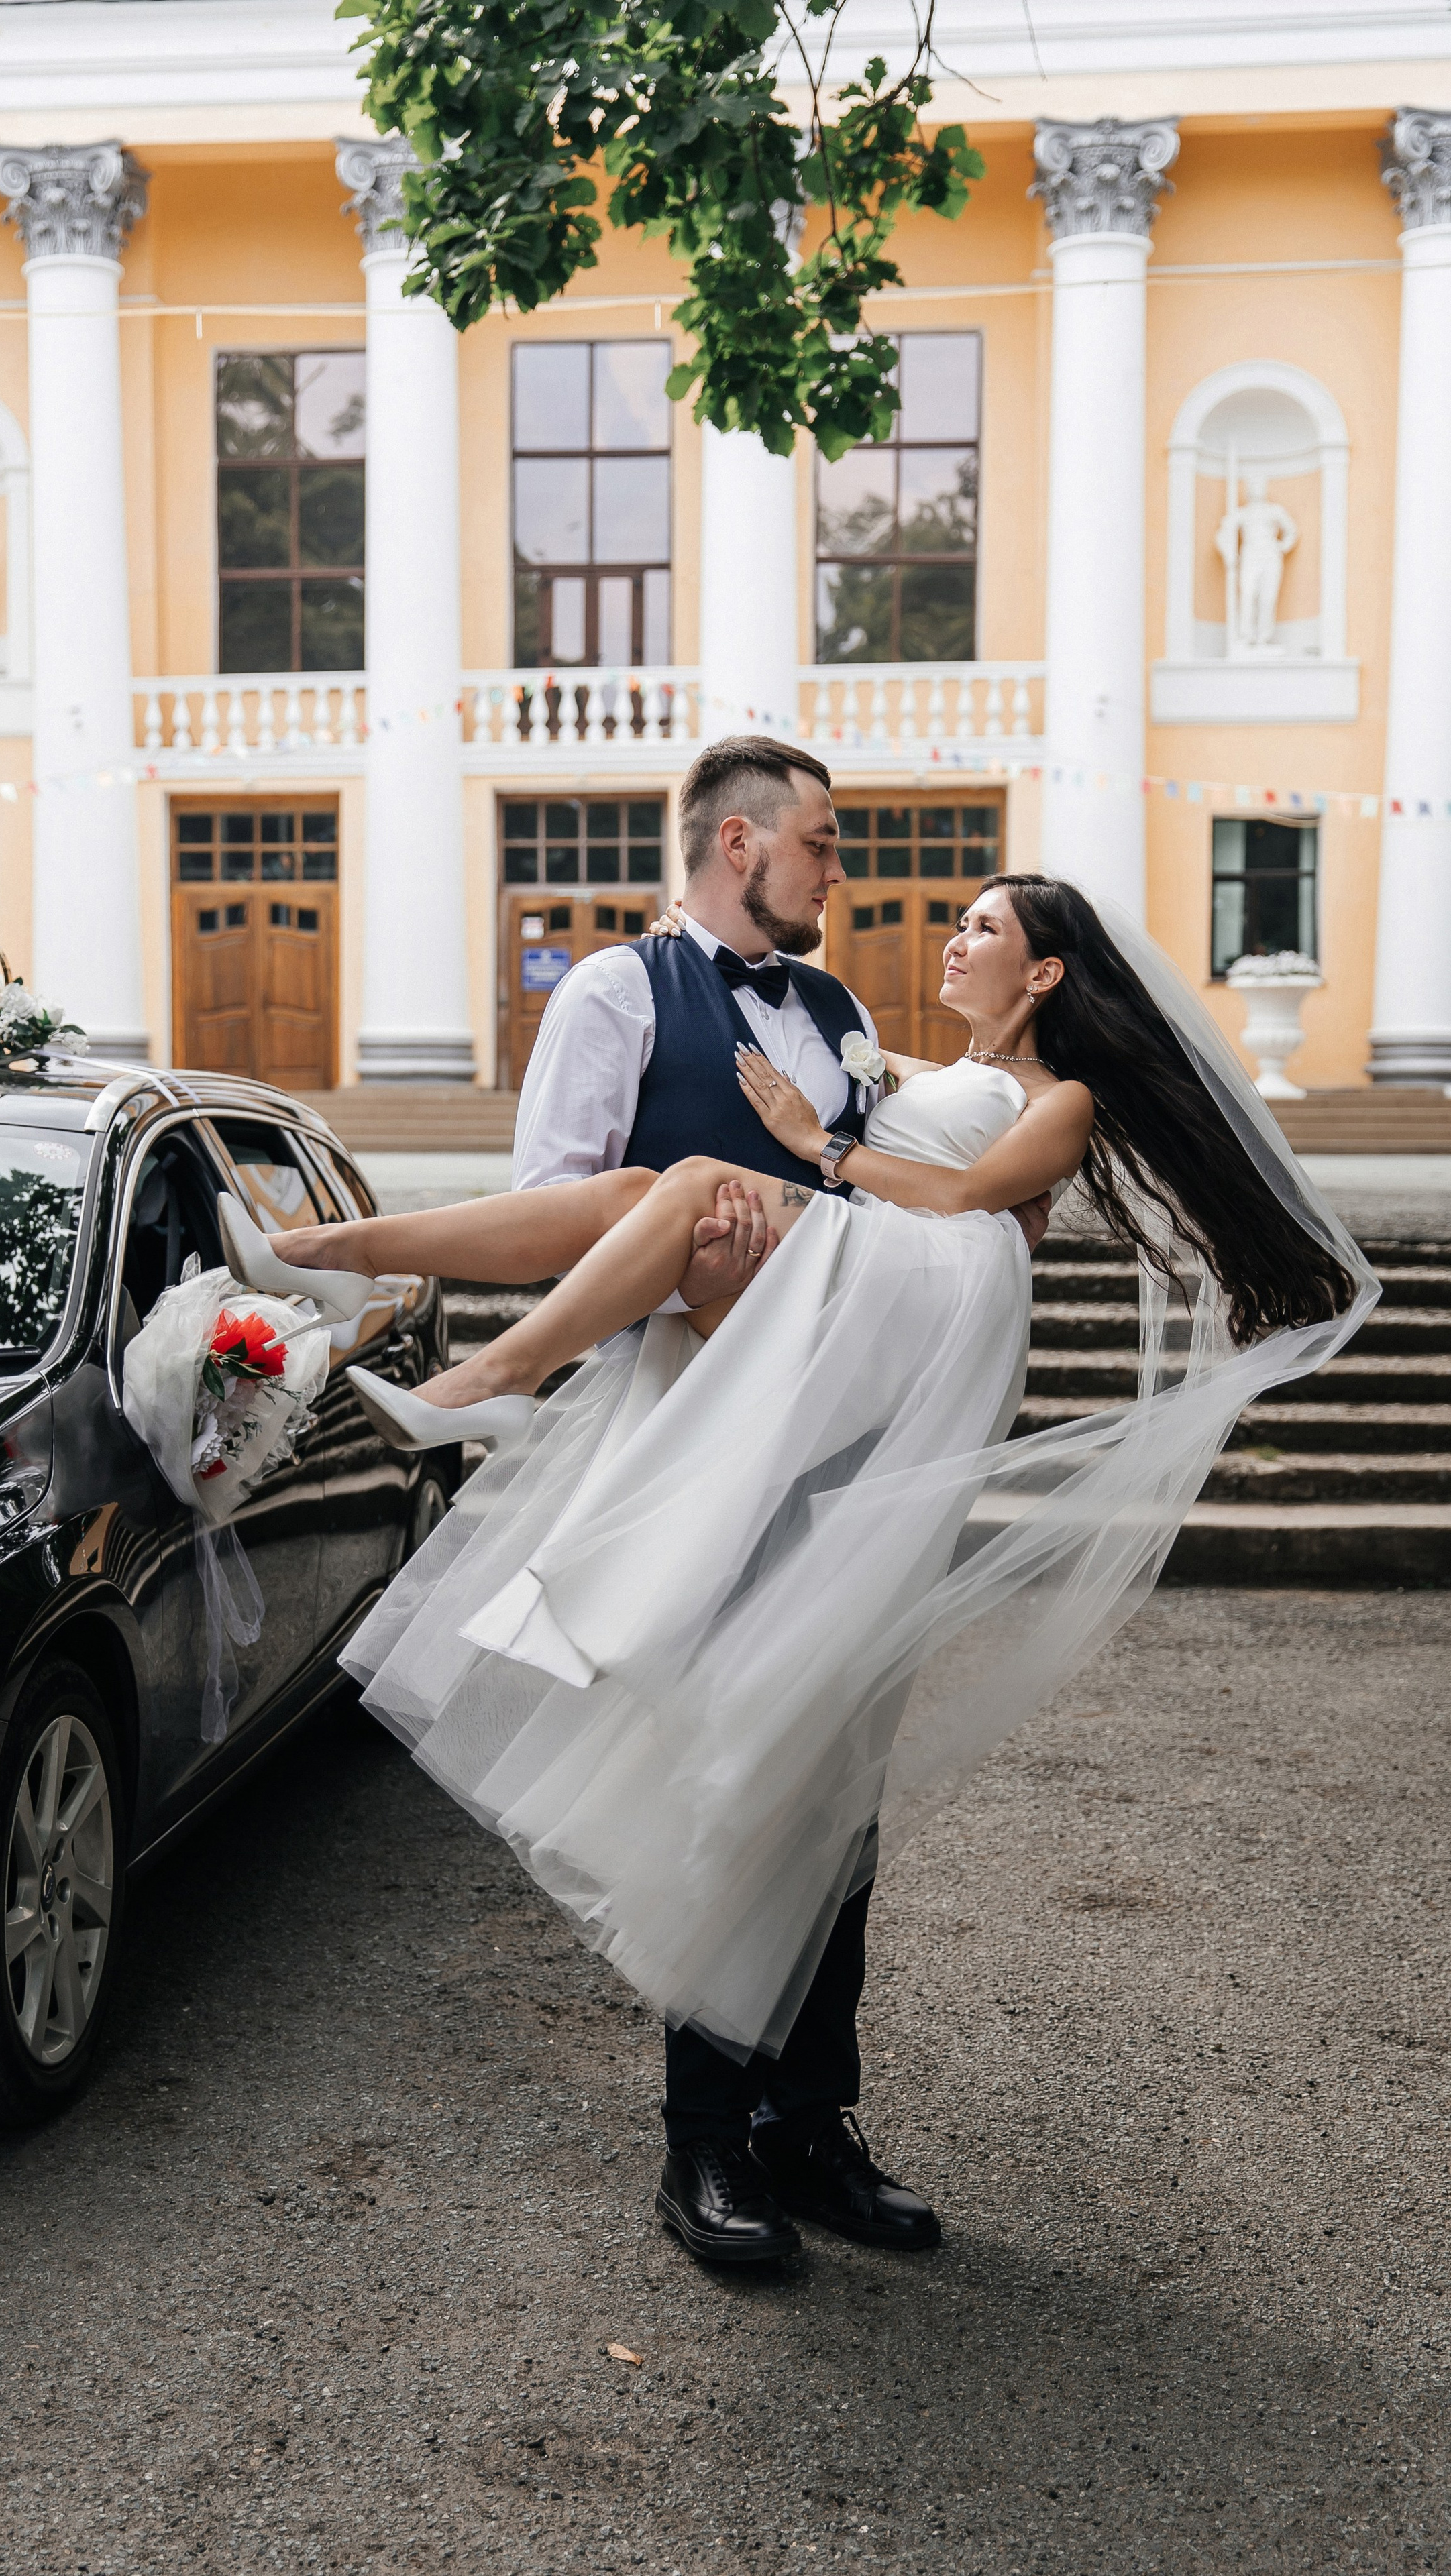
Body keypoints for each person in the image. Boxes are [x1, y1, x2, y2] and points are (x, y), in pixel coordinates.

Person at [221, 855, 1371, 2274]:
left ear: (1047, 975)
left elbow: (972, 1200)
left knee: (831, 1802)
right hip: (800, 1386)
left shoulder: (1049, 1095)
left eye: (978, 931)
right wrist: (744, 1049)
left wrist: (813, 1149)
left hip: (889, 1396)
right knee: (731, 1763)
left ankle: (805, 2124)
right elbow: (799, 1106)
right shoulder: (879, 1062)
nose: (948, 943)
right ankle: (703, 2139)